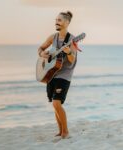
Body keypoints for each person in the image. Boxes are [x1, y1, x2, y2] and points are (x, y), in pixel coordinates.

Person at [37, 11, 79, 139]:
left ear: (67, 23)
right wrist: (42, 54)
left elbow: (72, 60)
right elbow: (41, 48)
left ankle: (66, 131)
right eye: (56, 20)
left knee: (56, 103)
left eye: (59, 20)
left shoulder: (72, 40)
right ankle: (60, 131)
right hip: (51, 73)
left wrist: (68, 52)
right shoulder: (52, 37)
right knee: (54, 104)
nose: (56, 22)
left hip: (65, 74)